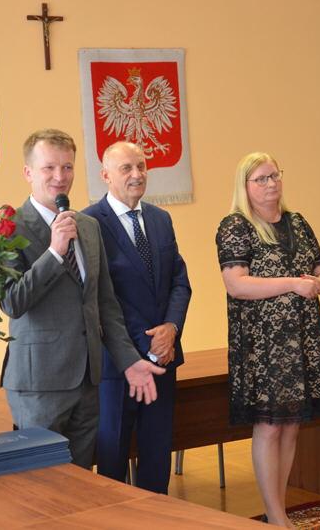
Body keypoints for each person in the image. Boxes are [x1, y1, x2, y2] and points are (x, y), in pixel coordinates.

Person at [0, 129, 164, 469]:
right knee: (42, 483)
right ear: (28, 173)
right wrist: (54, 253)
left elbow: (105, 304)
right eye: (49, 168)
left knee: (80, 482)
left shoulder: (87, 226)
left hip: (88, 380)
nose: (60, 177)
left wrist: (129, 361)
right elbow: (12, 302)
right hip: (39, 383)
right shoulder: (9, 227)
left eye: (67, 167)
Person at [215, 152, 320, 528]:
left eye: (274, 176)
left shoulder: (296, 222)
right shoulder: (236, 225)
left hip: (301, 338)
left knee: (291, 425)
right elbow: (236, 284)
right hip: (263, 344)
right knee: (269, 426)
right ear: (245, 186)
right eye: (261, 179)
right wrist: (292, 284)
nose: (271, 184)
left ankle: (278, 508)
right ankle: (276, 515)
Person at [82, 141, 191, 493]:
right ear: (106, 176)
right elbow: (99, 297)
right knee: (112, 460)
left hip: (163, 358)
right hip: (117, 365)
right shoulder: (89, 223)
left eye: (141, 166)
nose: (137, 174)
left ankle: (156, 518)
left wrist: (171, 328)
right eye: (126, 168)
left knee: (157, 458)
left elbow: (179, 281)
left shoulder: (160, 219)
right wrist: (143, 344)